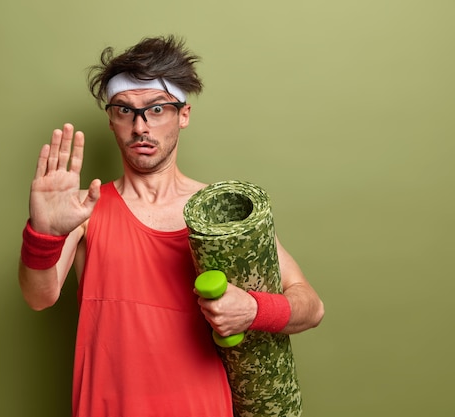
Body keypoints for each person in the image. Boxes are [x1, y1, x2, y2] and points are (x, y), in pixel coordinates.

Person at [18, 35, 324, 417]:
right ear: (111, 120)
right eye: (125, 110)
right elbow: (38, 296)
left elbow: (311, 308)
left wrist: (253, 310)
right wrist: (44, 232)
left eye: (157, 109)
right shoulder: (83, 210)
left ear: (183, 114)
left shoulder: (221, 211)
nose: (140, 126)